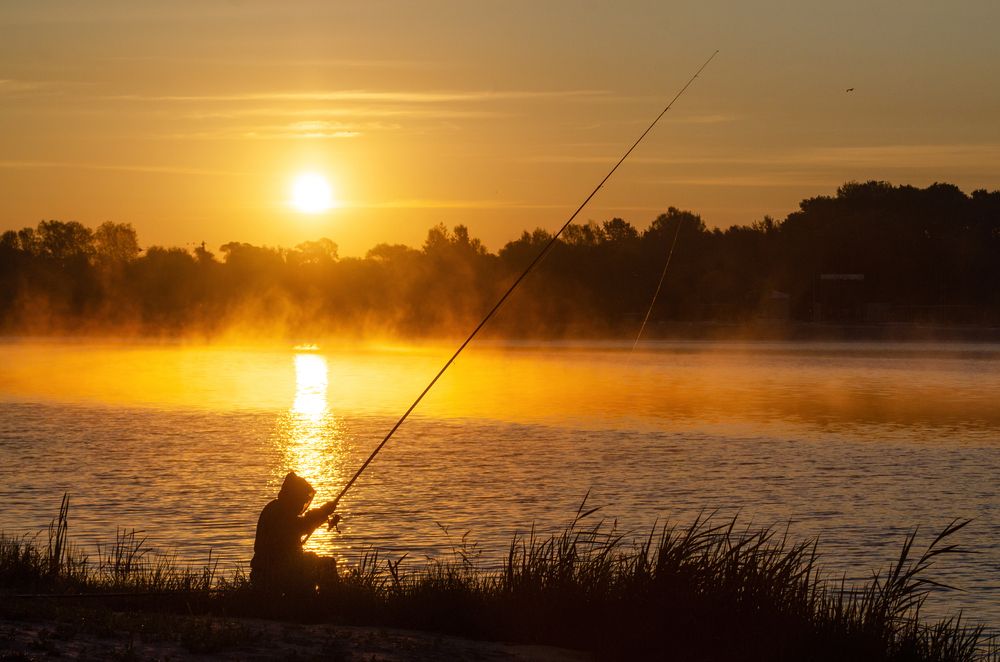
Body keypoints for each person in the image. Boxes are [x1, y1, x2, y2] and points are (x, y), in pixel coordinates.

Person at [250, 471, 341, 596]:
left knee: (310, 560)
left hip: (272, 571)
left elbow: (301, 525)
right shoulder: (279, 512)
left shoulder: (275, 508)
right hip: (272, 575)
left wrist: (323, 513)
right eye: (301, 500)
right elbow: (302, 525)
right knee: (327, 564)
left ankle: (315, 601)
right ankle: (333, 602)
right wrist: (323, 512)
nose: (302, 505)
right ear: (293, 497)